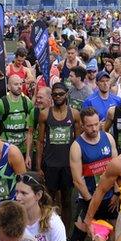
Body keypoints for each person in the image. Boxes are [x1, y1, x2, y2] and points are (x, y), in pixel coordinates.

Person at [65, 108, 117, 241]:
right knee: (76, 240)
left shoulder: (108, 138)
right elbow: (77, 180)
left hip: (110, 198)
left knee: (119, 235)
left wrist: (117, 192)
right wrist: (90, 201)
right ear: (82, 125)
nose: (94, 128)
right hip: (89, 199)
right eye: (90, 126)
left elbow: (117, 169)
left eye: (96, 124)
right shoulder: (77, 146)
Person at [35, 85, 78, 229]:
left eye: (60, 94)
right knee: (48, 200)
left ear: (66, 94)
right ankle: (46, 228)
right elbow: (40, 142)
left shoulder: (75, 114)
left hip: (67, 164)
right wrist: (38, 166)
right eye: (55, 95)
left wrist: (79, 166)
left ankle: (65, 232)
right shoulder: (45, 114)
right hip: (50, 163)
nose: (58, 97)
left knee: (66, 200)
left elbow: (78, 143)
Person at [0, 74, 36, 165]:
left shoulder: (27, 102)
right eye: (16, 84)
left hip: (22, 148)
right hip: (5, 147)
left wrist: (28, 133)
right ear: (8, 87)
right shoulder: (0, 103)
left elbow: (33, 118)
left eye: (21, 84)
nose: (19, 87)